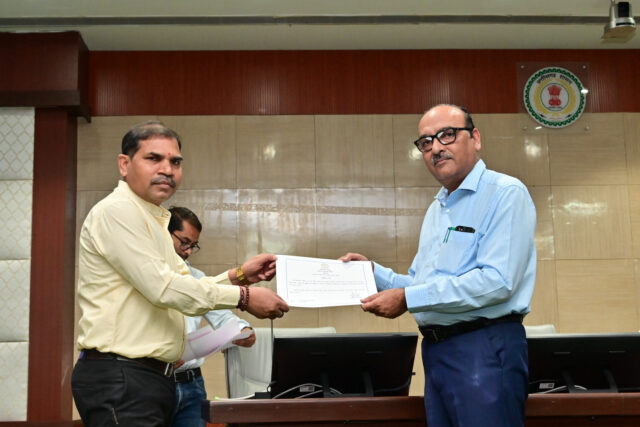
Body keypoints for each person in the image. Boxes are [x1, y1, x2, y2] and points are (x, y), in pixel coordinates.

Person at [71, 121, 289, 427]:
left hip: (149, 378)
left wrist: (239, 276)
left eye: (175, 162)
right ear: (124, 164)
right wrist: (243, 296)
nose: (167, 170)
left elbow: (183, 284)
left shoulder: (153, 218)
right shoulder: (118, 211)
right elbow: (165, 288)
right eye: (153, 158)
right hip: (122, 376)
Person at [340, 104, 536, 427]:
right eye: (426, 142)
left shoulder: (505, 194)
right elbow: (421, 283)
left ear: (475, 138)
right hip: (436, 352)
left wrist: (407, 299)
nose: (436, 148)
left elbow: (498, 282)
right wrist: (373, 273)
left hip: (484, 348)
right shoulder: (438, 208)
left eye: (447, 135)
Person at [168, 206, 256, 427]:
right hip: (154, 382)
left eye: (193, 245)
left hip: (192, 384)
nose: (188, 251)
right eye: (184, 242)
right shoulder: (146, 276)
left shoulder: (198, 278)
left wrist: (243, 331)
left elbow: (225, 317)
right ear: (164, 234)